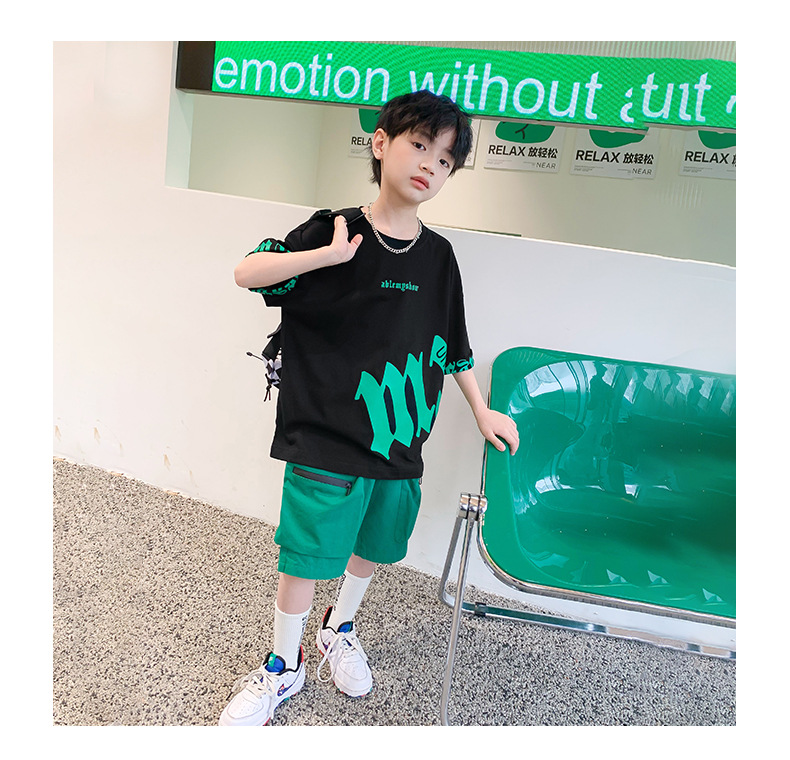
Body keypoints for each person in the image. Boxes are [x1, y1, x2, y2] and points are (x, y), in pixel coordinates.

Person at [220, 90, 519, 726]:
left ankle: (341, 627)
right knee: (305, 552)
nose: (430, 164)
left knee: (375, 543)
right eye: (419, 145)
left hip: (399, 435)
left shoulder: (439, 257)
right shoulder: (332, 228)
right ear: (380, 143)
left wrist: (481, 410)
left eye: (446, 159)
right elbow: (248, 272)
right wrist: (326, 258)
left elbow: (454, 345)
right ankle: (284, 664)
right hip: (324, 431)